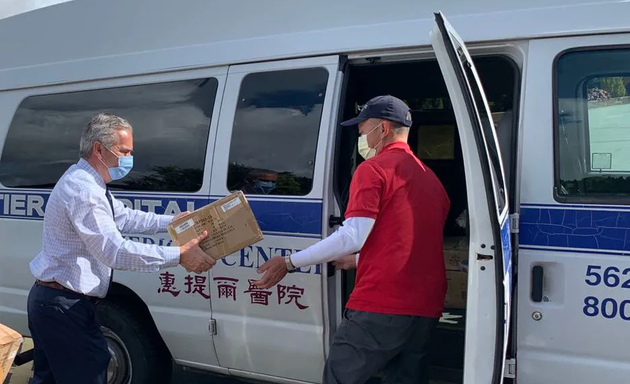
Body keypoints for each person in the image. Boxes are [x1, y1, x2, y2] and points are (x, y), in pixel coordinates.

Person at [253, 95, 451, 384]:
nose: (360, 135)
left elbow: (352, 234)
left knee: (340, 376)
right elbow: (409, 242)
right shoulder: (430, 178)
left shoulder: (374, 169)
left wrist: (289, 262)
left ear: (382, 129)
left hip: (382, 303)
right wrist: (360, 260)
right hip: (425, 305)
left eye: (363, 128)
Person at [27, 113, 217, 384]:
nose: (129, 159)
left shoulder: (90, 181)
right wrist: (178, 255)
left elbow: (124, 217)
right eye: (124, 151)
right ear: (99, 149)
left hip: (56, 303)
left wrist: (172, 222)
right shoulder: (84, 191)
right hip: (64, 307)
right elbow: (114, 251)